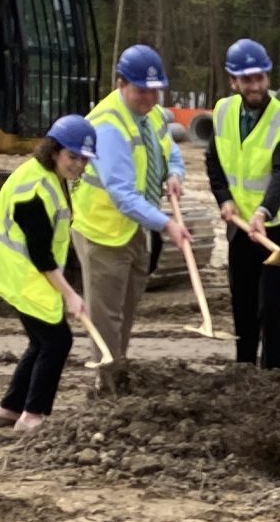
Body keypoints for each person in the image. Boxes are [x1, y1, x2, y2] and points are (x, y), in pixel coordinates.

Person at [72, 43, 191, 387]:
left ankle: (118, 371)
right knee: (106, 315)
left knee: (126, 308)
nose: (150, 98)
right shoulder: (107, 126)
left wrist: (174, 174)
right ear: (120, 83)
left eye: (155, 91)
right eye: (141, 90)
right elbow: (122, 195)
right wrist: (167, 224)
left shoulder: (153, 114)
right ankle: (107, 386)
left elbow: (171, 153)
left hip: (136, 227)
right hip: (104, 229)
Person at [0, 115, 96, 432]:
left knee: (41, 342)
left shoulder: (51, 176)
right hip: (20, 272)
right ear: (54, 151)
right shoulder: (34, 190)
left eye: (85, 159)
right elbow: (40, 254)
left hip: (26, 271)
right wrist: (70, 295)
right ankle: (33, 417)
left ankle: (8, 409)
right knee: (57, 342)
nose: (79, 165)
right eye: (73, 156)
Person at [203, 38, 280, 371]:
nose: (255, 86)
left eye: (260, 78)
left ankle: (272, 374)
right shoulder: (223, 112)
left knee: (271, 307)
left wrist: (264, 211)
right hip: (241, 229)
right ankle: (244, 370)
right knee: (243, 304)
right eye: (247, 79)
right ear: (233, 81)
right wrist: (224, 199)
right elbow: (214, 163)